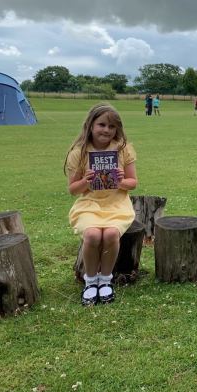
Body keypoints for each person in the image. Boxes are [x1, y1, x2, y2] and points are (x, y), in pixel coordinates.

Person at [64, 104, 138, 305]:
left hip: (117, 203)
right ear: (90, 125)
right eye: (102, 124)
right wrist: (85, 181)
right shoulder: (79, 152)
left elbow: (133, 183)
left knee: (111, 234)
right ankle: (90, 281)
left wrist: (121, 180)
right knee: (93, 234)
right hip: (90, 203)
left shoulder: (123, 148)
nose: (106, 130)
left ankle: (105, 280)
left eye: (112, 126)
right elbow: (72, 189)